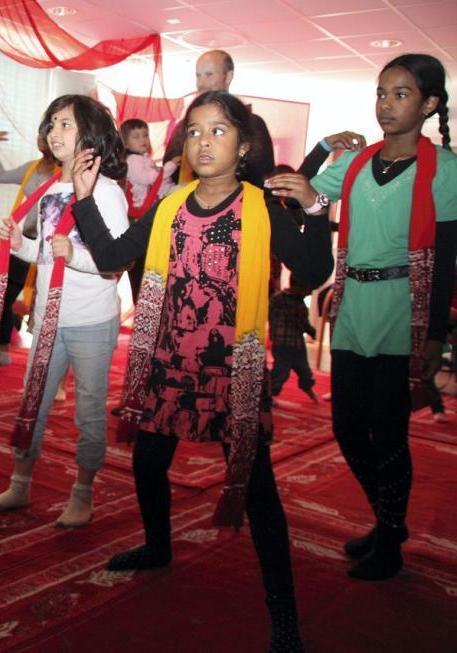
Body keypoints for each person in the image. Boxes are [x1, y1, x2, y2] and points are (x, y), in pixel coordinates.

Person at [70, 91, 333, 650]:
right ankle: (159, 546)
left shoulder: (262, 208)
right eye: (194, 131)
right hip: (166, 363)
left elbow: (314, 268)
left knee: (257, 489)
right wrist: (86, 198)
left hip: (230, 371)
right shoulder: (169, 205)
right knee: (147, 461)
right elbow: (113, 256)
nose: (204, 141)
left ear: (244, 145)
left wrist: (315, 209)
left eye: (218, 130)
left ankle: (283, 615)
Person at [291, 53, 457, 581]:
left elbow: (448, 257)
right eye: (381, 93)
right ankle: (390, 520)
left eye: (401, 94)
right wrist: (318, 157)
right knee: (346, 428)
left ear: (429, 104)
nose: (386, 105)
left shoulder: (447, 169)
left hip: (403, 313)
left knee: (388, 434)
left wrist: (435, 335)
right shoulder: (359, 162)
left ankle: (389, 538)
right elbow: (303, 197)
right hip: (355, 308)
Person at [0, 95, 129, 528]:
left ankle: (83, 494)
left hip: (90, 322)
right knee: (32, 405)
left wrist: (76, 257)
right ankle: (19, 485)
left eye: (66, 124)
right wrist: (20, 243)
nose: (54, 132)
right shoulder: (48, 189)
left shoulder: (107, 191)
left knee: (89, 410)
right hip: (48, 318)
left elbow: (116, 261)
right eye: (52, 123)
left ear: (92, 135)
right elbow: (45, 255)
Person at [0, 131, 56, 365]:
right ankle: (3, 347)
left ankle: (48, 358)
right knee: (5, 295)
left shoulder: (65, 173)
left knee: (46, 301)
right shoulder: (31, 168)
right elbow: (1, 176)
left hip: (49, 245)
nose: (40, 139)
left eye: (45, 135)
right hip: (23, 241)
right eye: (39, 134)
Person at [163, 50, 275, 188]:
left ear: (228, 77)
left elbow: (262, 177)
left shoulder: (251, 124)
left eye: (209, 75)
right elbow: (168, 170)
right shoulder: (183, 126)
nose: (201, 83)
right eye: (198, 76)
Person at [121, 118, 177, 302]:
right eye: (136, 137)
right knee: (142, 268)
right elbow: (149, 179)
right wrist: (171, 166)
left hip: (151, 210)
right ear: (126, 142)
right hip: (141, 217)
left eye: (145, 135)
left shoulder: (144, 159)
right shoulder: (132, 160)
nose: (143, 140)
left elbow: (158, 186)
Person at [269, 277, 318, 403]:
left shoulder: (300, 303)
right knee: (281, 371)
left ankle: (308, 388)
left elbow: (303, 323)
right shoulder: (279, 299)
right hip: (282, 344)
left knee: (304, 370)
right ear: (298, 286)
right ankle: (268, 394)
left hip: (297, 344)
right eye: (307, 289)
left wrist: (311, 331)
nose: (309, 293)